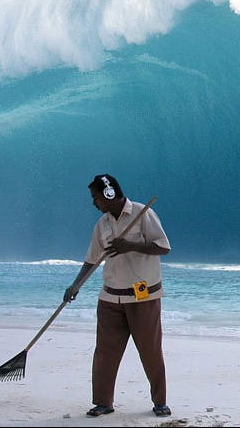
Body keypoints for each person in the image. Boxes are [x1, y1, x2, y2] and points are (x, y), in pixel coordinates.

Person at [64, 174, 172, 418]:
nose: (94, 203)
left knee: (150, 352)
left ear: (109, 194)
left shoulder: (143, 214)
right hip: (110, 298)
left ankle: (160, 402)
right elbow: (91, 260)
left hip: (143, 297)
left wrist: (130, 246)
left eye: (95, 197)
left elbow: (163, 247)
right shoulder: (102, 225)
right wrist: (75, 285)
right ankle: (103, 403)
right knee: (105, 353)